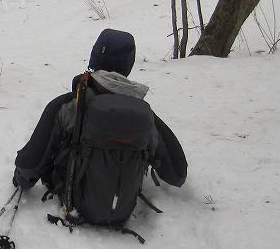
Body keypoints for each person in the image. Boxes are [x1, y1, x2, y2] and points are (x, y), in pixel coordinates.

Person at [12, 29, 187, 194]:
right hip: (124, 205)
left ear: (94, 58)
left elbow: (30, 164)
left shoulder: (70, 105)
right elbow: (178, 173)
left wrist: (21, 180)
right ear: (129, 65)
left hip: (73, 198)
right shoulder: (144, 115)